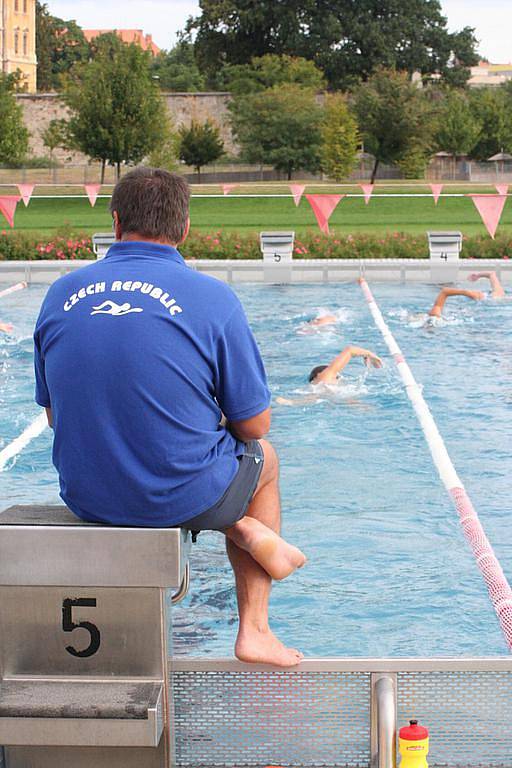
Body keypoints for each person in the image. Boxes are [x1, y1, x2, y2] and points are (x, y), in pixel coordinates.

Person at [33, 168, 306, 667]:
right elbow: (255, 425)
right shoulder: (212, 298)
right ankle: (257, 628)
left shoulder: (59, 293)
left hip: (88, 497)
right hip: (180, 493)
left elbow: (54, 416)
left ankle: (240, 527)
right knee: (264, 460)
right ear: (183, 228)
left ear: (115, 223)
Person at [276, 345, 382, 406]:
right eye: (336, 376)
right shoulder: (324, 377)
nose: (337, 377)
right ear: (318, 374)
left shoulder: (316, 388)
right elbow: (349, 350)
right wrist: (368, 354)